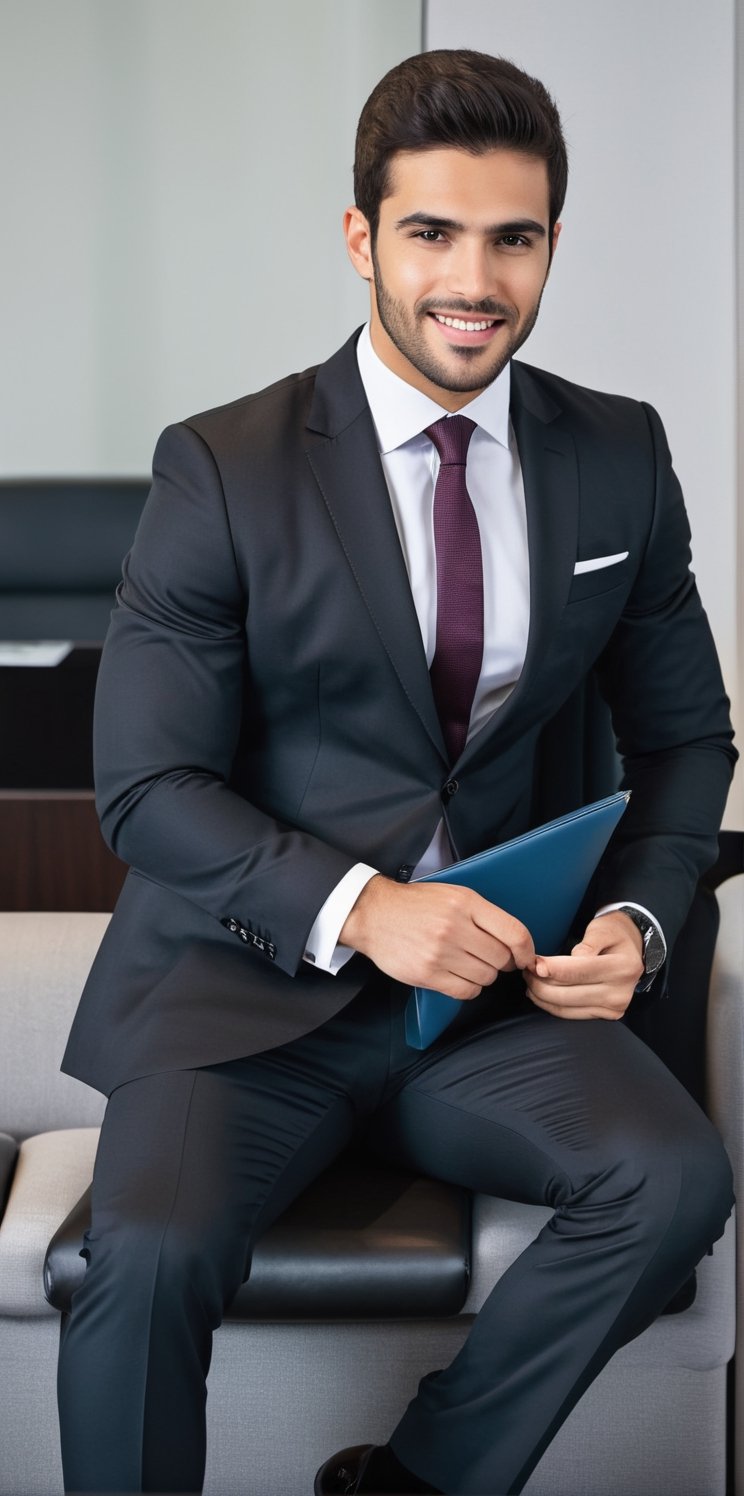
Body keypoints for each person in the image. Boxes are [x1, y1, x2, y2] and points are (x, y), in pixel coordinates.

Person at [57, 47, 736, 1496]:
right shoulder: (223, 467)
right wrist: (365, 908)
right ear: (363, 237)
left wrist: (642, 925)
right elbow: (146, 786)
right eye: (431, 232)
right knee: (151, 1255)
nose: (472, 279)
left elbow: (688, 742)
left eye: (513, 237)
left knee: (676, 1179)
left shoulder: (620, 456)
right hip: (244, 1009)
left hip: (487, 1011)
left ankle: (419, 1481)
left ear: (553, 242)